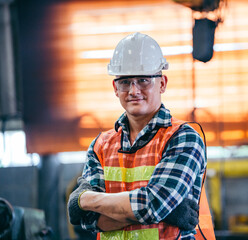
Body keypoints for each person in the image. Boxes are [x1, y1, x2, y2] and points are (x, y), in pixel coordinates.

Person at [67, 32, 215, 240]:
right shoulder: (100, 144)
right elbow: (88, 221)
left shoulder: (183, 138)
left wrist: (85, 200)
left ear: (162, 83)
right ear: (115, 88)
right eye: (125, 82)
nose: (133, 90)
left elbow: (154, 206)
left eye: (143, 80)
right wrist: (160, 211)